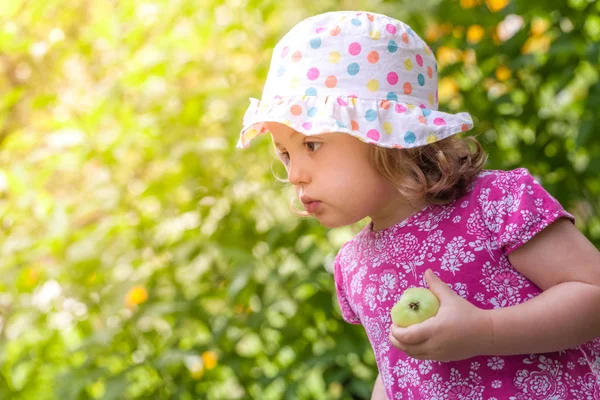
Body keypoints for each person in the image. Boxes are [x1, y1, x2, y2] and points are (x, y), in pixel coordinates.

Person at [237, 10, 600, 399]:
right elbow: (397, 371)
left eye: (311, 144)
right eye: (286, 155)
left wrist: (485, 332)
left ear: (384, 136)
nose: (294, 175)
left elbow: (591, 293)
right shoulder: (354, 265)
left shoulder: (495, 205)